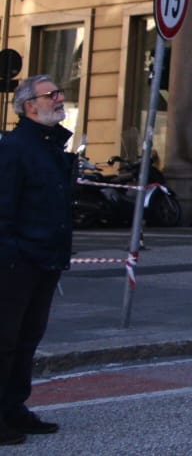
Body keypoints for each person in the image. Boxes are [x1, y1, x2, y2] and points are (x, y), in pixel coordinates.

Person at [0, 76, 74, 442]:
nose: (60, 99)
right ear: (29, 105)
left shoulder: (50, 146)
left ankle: (14, 408)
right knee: (5, 340)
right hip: (18, 261)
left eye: (59, 93)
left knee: (28, 338)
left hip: (46, 257)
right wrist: (10, 254)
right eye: (51, 95)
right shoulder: (14, 148)